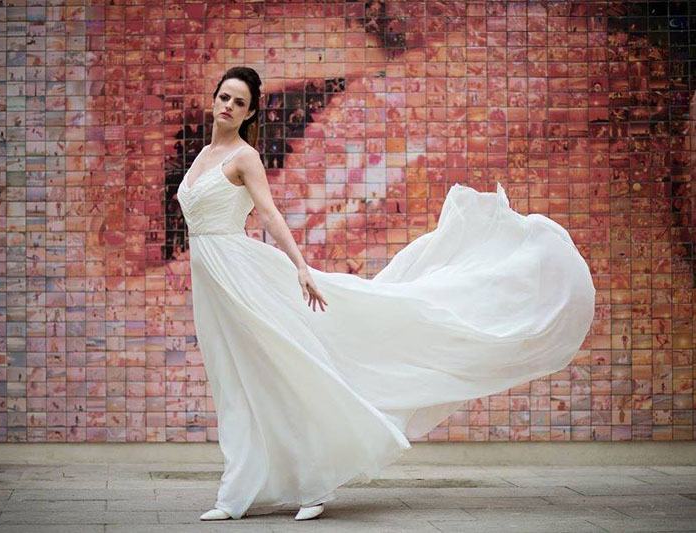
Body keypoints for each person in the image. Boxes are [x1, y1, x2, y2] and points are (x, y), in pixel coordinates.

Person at [176, 66, 595, 521]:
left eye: (239, 102)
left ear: (250, 113)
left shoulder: (244, 157)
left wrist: (300, 266)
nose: (228, 106)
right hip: (212, 287)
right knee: (233, 385)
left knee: (285, 371)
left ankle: (312, 484)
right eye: (224, 97)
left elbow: (270, 215)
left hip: (242, 277)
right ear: (213, 99)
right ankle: (238, 493)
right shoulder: (202, 158)